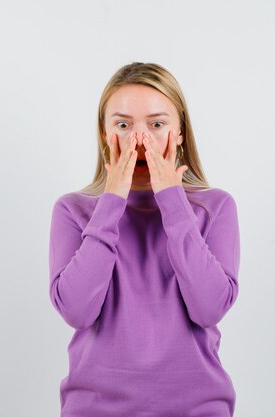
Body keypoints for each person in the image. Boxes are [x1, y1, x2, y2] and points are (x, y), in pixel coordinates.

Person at [48, 62, 241, 416]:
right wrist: (111, 201)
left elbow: (209, 308)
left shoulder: (215, 207)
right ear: (105, 135)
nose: (140, 140)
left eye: (156, 124)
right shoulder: (73, 210)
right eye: (123, 125)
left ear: (179, 132)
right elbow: (77, 311)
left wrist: (172, 200)